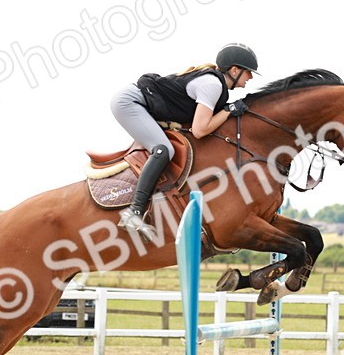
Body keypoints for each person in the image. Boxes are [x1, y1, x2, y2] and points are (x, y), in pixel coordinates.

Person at [110, 43, 258, 238]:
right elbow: (200, 130)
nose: (251, 77)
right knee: (163, 150)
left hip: (139, 103)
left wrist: (227, 110)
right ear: (235, 70)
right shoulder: (213, 85)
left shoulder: (217, 86)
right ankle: (134, 211)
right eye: (249, 72)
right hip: (130, 102)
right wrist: (228, 111)